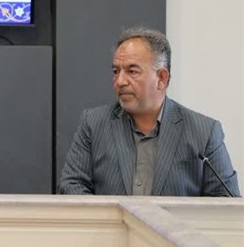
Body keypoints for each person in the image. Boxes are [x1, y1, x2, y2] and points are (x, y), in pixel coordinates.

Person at [59, 27, 240, 196]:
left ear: (162, 78)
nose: (120, 81)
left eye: (132, 71)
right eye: (116, 71)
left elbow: (225, 202)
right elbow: (71, 186)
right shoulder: (94, 124)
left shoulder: (204, 132)